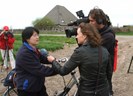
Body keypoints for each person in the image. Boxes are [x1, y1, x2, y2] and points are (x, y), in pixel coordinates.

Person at [47, 23, 112, 96]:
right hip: (104, 91)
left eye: (78, 34)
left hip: (86, 93)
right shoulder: (104, 50)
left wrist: (53, 61)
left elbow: (63, 71)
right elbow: (109, 73)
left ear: (85, 36)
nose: (76, 37)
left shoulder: (80, 52)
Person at [15, 27, 57, 96]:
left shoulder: (33, 48)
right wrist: (58, 70)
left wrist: (53, 60)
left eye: (38, 35)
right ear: (27, 38)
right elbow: (39, 69)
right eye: (34, 35)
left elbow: (42, 58)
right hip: (28, 88)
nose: (37, 37)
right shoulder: (24, 53)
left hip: (38, 85)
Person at [88, 7, 116, 96]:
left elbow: (93, 51)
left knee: (106, 86)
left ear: (100, 21)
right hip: (98, 65)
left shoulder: (109, 36)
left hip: (105, 68)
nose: (89, 23)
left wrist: (84, 37)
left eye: (92, 21)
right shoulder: (97, 31)